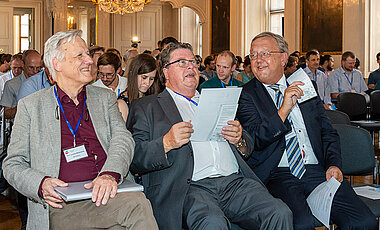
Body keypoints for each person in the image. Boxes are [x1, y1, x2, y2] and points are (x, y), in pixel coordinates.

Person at [127, 42, 292, 230]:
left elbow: (248, 146)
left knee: (280, 212)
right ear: (165, 71)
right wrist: (166, 143)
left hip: (234, 183)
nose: (191, 66)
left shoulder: (218, 98)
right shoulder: (147, 107)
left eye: (193, 62)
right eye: (181, 62)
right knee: (213, 223)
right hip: (190, 187)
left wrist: (239, 139)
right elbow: (134, 157)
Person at [3, 30, 158, 230]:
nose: (89, 61)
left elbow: (123, 139)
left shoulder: (104, 98)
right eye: (80, 56)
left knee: (135, 206)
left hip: (108, 196)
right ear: (57, 64)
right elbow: (13, 164)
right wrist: (41, 184)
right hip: (62, 205)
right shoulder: (31, 106)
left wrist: (110, 174)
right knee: (137, 206)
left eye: (88, 54)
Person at [237, 32, 377, 230]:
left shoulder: (305, 86)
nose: (258, 60)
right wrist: (284, 109)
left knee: (364, 222)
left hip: (317, 170)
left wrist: (334, 164)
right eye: (253, 55)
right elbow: (255, 139)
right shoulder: (246, 94)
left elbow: (327, 132)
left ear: (283, 58)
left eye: (265, 53)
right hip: (278, 173)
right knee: (300, 224)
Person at [117, 53, 160, 122]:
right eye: (144, 77)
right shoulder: (122, 104)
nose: (147, 83)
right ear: (134, 74)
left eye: (151, 79)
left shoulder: (153, 99)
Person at [0, 50, 42, 119]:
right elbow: (6, 114)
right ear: (23, 65)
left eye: (38, 68)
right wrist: (23, 106)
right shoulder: (11, 84)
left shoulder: (45, 82)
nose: (35, 71)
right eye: (31, 68)